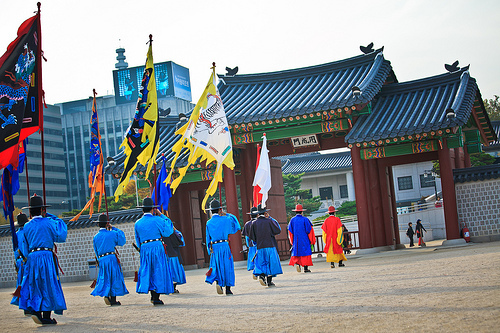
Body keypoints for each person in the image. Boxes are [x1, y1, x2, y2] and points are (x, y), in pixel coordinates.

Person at [18, 194, 67, 325]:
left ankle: (35, 310)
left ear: (30, 210)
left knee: (35, 284)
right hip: (46, 256)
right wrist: (50, 216)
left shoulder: (26, 226)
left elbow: (24, 246)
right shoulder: (49, 222)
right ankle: (46, 316)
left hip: (32, 257)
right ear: (42, 209)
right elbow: (60, 235)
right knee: (48, 284)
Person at [134, 197, 174, 305]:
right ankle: (156, 296)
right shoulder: (157, 220)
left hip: (144, 248)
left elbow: (137, 239)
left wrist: (142, 250)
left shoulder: (137, 223)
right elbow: (168, 231)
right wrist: (161, 215)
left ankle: (153, 295)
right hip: (157, 247)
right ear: (153, 209)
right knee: (158, 270)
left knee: (149, 271)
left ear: (143, 210)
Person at [205, 199, 241, 295]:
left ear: (211, 211)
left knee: (216, 266)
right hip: (224, 245)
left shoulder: (208, 223)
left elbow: (207, 238)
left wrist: (209, 250)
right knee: (227, 266)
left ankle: (218, 283)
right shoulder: (226, 219)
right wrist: (227, 214)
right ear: (220, 210)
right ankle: (228, 289)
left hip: (215, 247)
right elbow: (236, 224)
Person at [91, 213, 128, 306]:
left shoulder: (95, 237)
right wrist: (113, 228)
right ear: (107, 224)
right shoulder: (112, 233)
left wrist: (99, 261)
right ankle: (113, 300)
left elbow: (96, 250)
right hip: (111, 257)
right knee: (114, 277)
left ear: (98, 224)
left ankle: (106, 294)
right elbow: (122, 240)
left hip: (102, 259)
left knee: (105, 277)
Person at [249, 204, 283, 287]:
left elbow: (252, 237)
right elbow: (277, 230)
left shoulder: (254, 223)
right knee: (271, 263)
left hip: (260, 246)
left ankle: (262, 276)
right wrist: (270, 218)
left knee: (261, 263)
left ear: (258, 213)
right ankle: (269, 281)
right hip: (270, 245)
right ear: (265, 212)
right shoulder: (269, 221)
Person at [288, 204, 315, 273]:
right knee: (305, 253)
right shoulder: (305, 219)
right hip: (304, 239)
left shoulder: (292, 220)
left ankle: (298, 264)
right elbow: (310, 231)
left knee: (297, 252)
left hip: (296, 239)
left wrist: (292, 241)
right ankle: (306, 268)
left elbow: (290, 232)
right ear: (302, 212)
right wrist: (312, 241)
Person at [10, 213, 29, 315]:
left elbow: (15, 250)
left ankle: (24, 306)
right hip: (27, 261)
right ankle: (28, 306)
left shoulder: (16, 234)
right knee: (29, 284)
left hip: (19, 262)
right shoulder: (28, 232)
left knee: (21, 284)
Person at [162, 228, 186, 293]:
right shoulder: (172, 229)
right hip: (173, 253)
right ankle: (173, 288)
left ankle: (169, 288)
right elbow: (180, 240)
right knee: (174, 270)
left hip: (165, 253)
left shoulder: (160, 229)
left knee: (168, 270)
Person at [241, 207, 258, 278]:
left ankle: (255, 271)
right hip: (259, 244)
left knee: (253, 259)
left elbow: (246, 237)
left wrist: (248, 245)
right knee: (259, 259)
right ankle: (257, 272)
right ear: (257, 215)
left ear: (250, 215)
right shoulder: (259, 222)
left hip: (251, 245)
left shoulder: (247, 224)